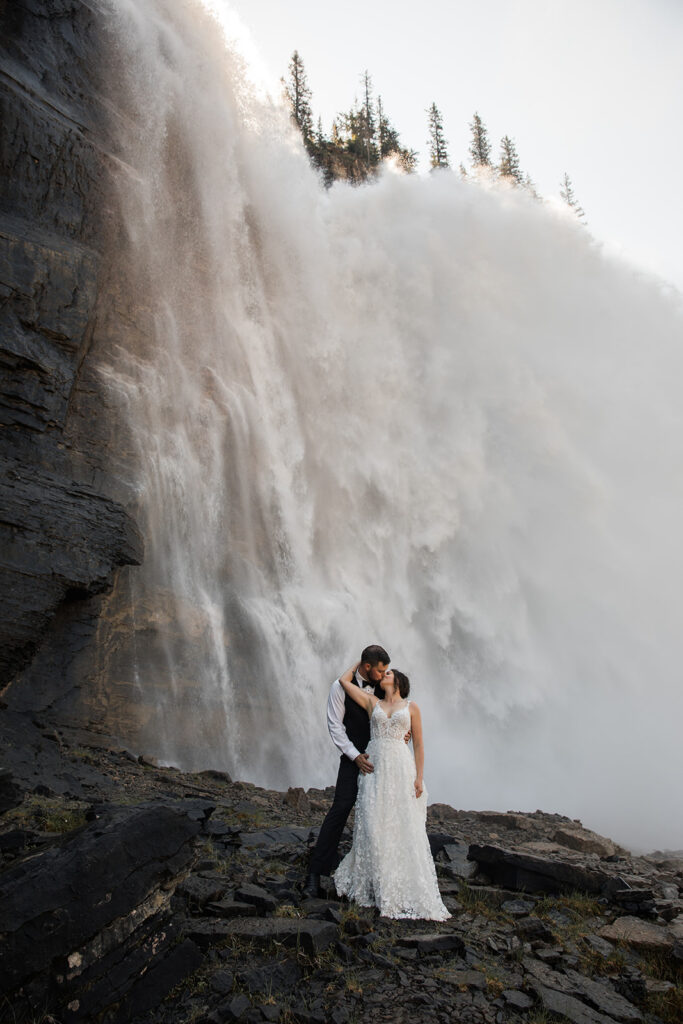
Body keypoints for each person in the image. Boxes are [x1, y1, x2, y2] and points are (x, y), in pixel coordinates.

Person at [333, 662, 449, 920]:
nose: (382, 675)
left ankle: (395, 886)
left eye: (387, 672)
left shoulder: (412, 707)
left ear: (398, 681)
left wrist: (419, 778)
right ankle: (376, 885)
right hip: (375, 770)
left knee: (399, 825)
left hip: (400, 769)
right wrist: (359, 662)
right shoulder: (372, 702)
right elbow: (344, 682)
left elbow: (418, 745)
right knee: (373, 824)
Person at [303, 645, 393, 898]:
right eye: (380, 670)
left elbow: (399, 709)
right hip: (353, 758)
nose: (384, 674)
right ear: (366, 667)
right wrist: (355, 756)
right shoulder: (339, 687)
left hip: (382, 759)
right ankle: (315, 874)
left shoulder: (385, 685)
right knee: (340, 808)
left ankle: (378, 877)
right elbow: (335, 727)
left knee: (381, 813)